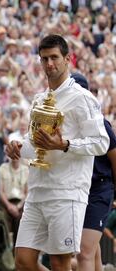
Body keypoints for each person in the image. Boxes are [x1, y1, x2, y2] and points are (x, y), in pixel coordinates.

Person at [5, 34, 109, 271]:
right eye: (44, 59)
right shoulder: (39, 99)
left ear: (67, 59)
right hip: (37, 190)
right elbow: (34, 143)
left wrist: (64, 145)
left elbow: (101, 142)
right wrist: (17, 147)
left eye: (54, 58)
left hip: (67, 192)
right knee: (23, 261)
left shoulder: (83, 98)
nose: (49, 64)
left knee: (60, 263)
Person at [72, 73, 116, 271]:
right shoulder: (67, 126)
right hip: (77, 189)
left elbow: (115, 160)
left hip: (99, 189)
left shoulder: (101, 125)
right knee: (91, 248)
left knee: (84, 251)